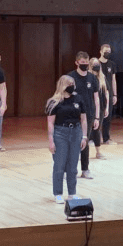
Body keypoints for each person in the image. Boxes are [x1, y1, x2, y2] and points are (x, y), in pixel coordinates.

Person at [46, 74, 87, 204]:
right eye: (69, 84)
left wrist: (84, 136)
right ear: (62, 85)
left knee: (73, 166)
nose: (72, 86)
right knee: (59, 164)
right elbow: (50, 123)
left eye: (73, 84)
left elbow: (84, 119)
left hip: (76, 132)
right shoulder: (54, 102)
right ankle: (58, 193)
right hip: (60, 133)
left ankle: (72, 193)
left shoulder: (78, 99)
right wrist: (51, 140)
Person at [67, 52, 102, 179]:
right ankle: (70, 170)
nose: (85, 65)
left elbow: (96, 99)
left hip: (88, 115)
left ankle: (85, 169)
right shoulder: (70, 77)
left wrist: (97, 117)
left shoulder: (92, 78)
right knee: (72, 142)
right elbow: (64, 96)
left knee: (84, 141)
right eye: (82, 63)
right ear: (76, 63)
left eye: (86, 63)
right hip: (73, 114)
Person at [97, 43, 118, 145]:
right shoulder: (96, 63)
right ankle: (94, 138)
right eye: (105, 51)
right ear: (101, 51)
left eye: (109, 52)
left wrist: (115, 94)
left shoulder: (112, 64)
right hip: (98, 92)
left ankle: (106, 138)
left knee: (108, 116)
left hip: (109, 93)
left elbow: (114, 80)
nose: (107, 53)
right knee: (97, 115)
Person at [90, 60, 111, 160]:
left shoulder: (102, 78)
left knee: (97, 129)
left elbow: (106, 93)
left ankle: (98, 152)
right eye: (94, 64)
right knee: (85, 130)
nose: (96, 66)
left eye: (97, 64)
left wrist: (106, 107)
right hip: (89, 107)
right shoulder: (88, 78)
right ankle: (79, 153)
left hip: (101, 107)